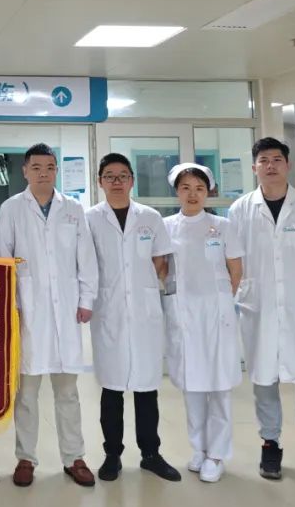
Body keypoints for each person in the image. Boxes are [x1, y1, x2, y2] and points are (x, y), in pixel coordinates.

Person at [229, 137, 295, 485]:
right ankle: (270, 442)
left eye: (277, 159)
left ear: (288, 165)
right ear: (254, 167)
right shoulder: (240, 209)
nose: (271, 165)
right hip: (258, 302)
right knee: (263, 376)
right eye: (264, 160)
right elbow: (235, 257)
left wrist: (294, 277)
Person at [0, 143, 98, 488]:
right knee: (26, 393)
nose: (44, 173)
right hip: (27, 311)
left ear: (57, 171)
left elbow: (86, 258)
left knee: (67, 392)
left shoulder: (73, 209)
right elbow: (4, 260)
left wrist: (87, 299)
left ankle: (74, 457)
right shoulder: (12, 208)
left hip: (66, 309)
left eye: (50, 167)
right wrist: (10, 306)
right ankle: (26, 458)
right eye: (37, 167)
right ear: (25, 171)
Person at [86, 153, 180, 482]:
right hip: (108, 311)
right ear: (100, 181)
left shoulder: (150, 217)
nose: (116, 181)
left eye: (122, 175)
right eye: (109, 176)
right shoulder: (90, 219)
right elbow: (86, 263)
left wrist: (141, 285)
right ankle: (112, 455)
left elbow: (160, 261)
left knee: (146, 388)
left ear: (132, 181)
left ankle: (151, 454)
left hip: (144, 311)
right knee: (112, 390)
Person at [162, 163, 244, 483]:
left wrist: (221, 304)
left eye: (199, 188)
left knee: (219, 385)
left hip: (216, 315)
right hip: (184, 314)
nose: (193, 194)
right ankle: (199, 448)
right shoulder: (166, 226)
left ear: (208, 191)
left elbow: (235, 270)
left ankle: (217, 453)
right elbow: (161, 268)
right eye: (186, 188)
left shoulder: (223, 226)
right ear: (177, 192)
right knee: (192, 385)